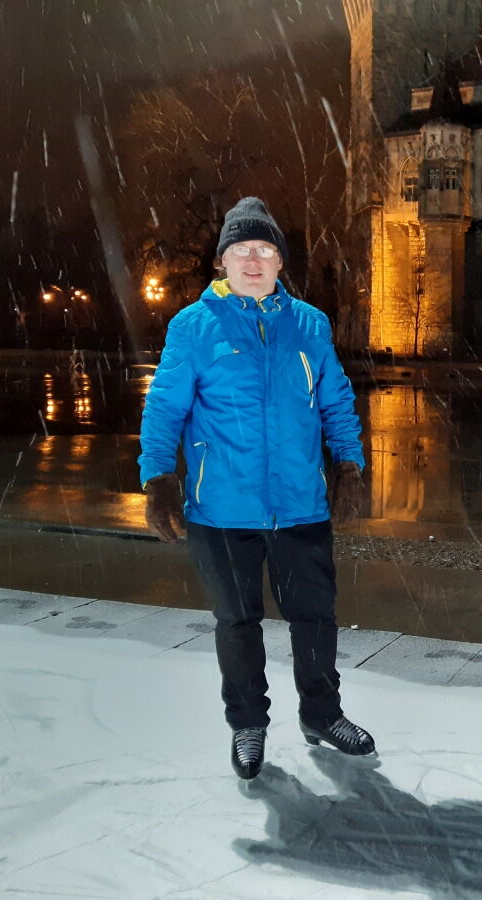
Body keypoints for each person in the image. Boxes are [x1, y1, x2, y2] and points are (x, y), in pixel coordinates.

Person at [138, 197, 374, 781]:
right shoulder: (193, 327)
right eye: (241, 250)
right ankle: (247, 723)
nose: (253, 260)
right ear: (222, 261)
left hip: (300, 506)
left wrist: (349, 466)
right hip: (222, 510)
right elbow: (164, 409)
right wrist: (158, 478)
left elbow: (336, 402)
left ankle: (322, 714)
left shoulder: (310, 324)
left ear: (279, 262)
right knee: (237, 622)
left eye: (264, 250)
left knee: (314, 618)